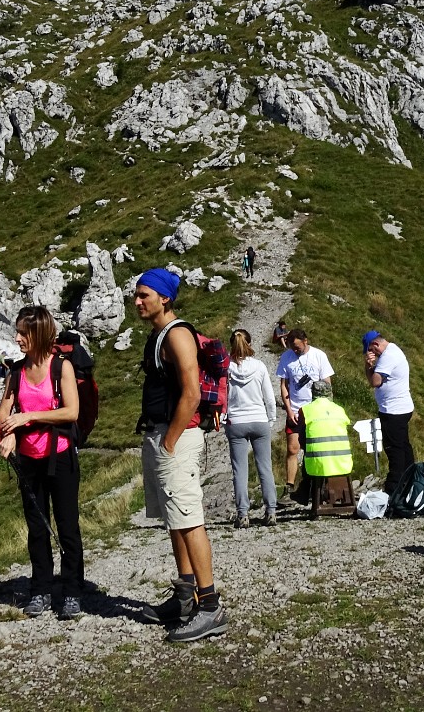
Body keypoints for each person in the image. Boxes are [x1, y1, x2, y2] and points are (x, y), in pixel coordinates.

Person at [132, 268, 229, 642]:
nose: (138, 302)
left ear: (164, 298)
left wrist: (171, 441)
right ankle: (185, 597)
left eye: (144, 295)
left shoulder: (177, 335)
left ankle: (210, 607)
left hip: (177, 439)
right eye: (137, 295)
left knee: (189, 520)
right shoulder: (158, 335)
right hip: (160, 435)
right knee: (175, 520)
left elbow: (190, 393)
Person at [0, 306, 85, 620]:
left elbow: (71, 411)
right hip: (29, 461)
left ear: (40, 334)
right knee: (37, 529)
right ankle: (41, 590)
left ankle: (73, 591)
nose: (18, 338)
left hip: (59, 457)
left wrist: (28, 417)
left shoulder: (61, 368)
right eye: (18, 332)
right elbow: (2, 415)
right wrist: (10, 434)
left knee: (67, 526)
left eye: (24, 333)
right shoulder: (17, 372)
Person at [226, 328, 277, 528]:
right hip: (259, 420)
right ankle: (271, 511)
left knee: (240, 470)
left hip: (236, 422)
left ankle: (243, 514)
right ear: (250, 343)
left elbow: (223, 397)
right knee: (265, 468)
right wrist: (270, 420)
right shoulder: (259, 366)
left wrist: (223, 419)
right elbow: (269, 398)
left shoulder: (226, 368)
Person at [275, 329, 334, 501]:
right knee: (292, 448)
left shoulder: (319, 356)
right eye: (293, 347)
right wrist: (289, 409)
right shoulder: (286, 358)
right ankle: (289, 486)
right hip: (295, 408)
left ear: (305, 341)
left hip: (315, 410)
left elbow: (327, 382)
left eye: (298, 347)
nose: (295, 350)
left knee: (314, 448)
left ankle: (317, 486)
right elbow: (284, 385)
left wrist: (326, 408)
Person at [363, 329, 415, 495]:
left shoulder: (387, 357)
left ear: (376, 344)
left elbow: (375, 381)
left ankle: (394, 489)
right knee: (403, 447)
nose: (372, 354)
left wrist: (368, 366)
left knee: (394, 449)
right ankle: (409, 483)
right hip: (400, 408)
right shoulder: (393, 349)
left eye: (371, 350)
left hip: (393, 411)